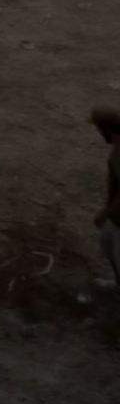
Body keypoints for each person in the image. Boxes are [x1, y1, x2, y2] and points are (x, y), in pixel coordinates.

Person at [90, 107, 120, 286]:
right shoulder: (117, 146)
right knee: (107, 245)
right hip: (116, 216)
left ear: (105, 128)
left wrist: (105, 213)